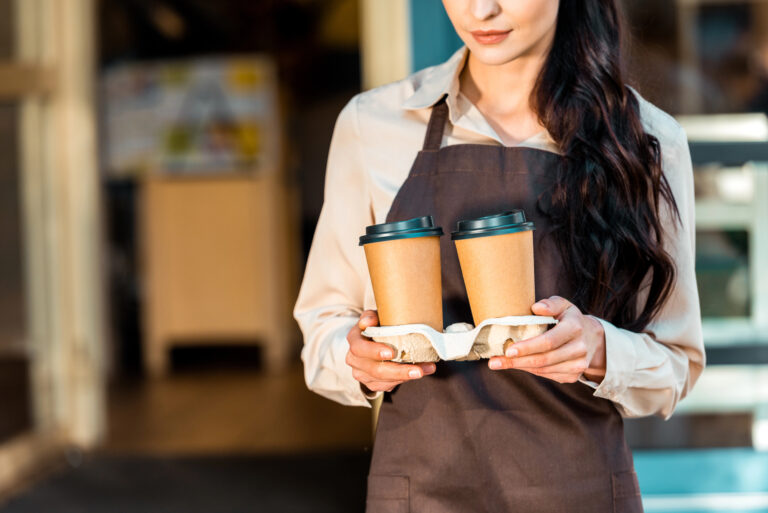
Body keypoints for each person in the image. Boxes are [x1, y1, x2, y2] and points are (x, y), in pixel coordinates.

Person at [294, 0, 705, 511]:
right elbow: (323, 330)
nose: (480, 10)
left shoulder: (643, 140)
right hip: (420, 494)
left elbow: (677, 364)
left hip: (578, 492)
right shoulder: (373, 127)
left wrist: (596, 349)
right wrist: (357, 359)